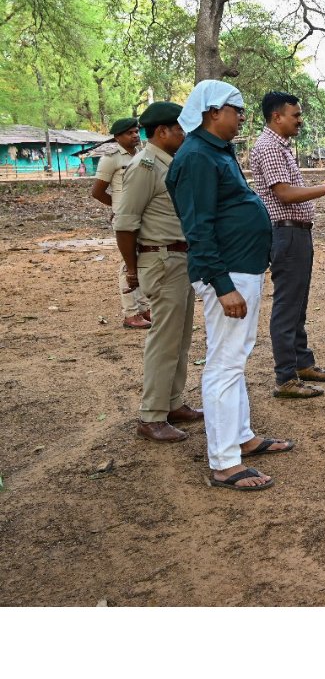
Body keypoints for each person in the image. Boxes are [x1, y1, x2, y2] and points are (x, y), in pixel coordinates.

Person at [166, 80, 293, 492]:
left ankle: (242, 437)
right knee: (223, 364)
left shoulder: (215, 151)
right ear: (213, 111)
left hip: (242, 268)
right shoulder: (198, 157)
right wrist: (222, 285)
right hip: (228, 274)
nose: (242, 117)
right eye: (237, 110)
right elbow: (198, 229)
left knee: (235, 358)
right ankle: (223, 461)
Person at [249, 90, 325, 399]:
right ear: (276, 117)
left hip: (295, 232)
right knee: (287, 306)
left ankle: (301, 363)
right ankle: (285, 377)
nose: (300, 119)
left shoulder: (280, 147)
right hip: (286, 233)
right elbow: (283, 193)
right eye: (295, 115)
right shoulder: (269, 147)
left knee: (297, 303)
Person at [112, 102, 203, 443]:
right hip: (161, 259)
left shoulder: (169, 162)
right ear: (162, 131)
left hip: (179, 258)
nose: (184, 134)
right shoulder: (144, 166)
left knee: (179, 338)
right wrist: (133, 272)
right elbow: (124, 224)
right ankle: (151, 416)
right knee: (164, 340)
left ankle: (172, 403)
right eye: (179, 129)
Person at [91, 116, 152, 329]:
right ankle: (131, 313)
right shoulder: (111, 158)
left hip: (144, 215)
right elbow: (97, 192)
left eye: (136, 132)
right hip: (126, 219)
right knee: (128, 263)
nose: (135, 135)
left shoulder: (143, 155)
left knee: (142, 260)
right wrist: (118, 207)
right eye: (129, 133)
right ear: (117, 137)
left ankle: (144, 307)